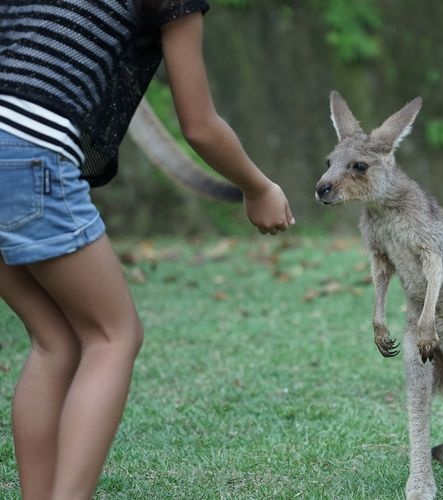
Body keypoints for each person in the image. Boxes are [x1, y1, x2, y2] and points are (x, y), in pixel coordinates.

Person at [0, 1, 295, 498]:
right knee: (114, 337)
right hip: (32, 154)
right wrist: (258, 187)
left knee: (55, 340)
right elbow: (199, 125)